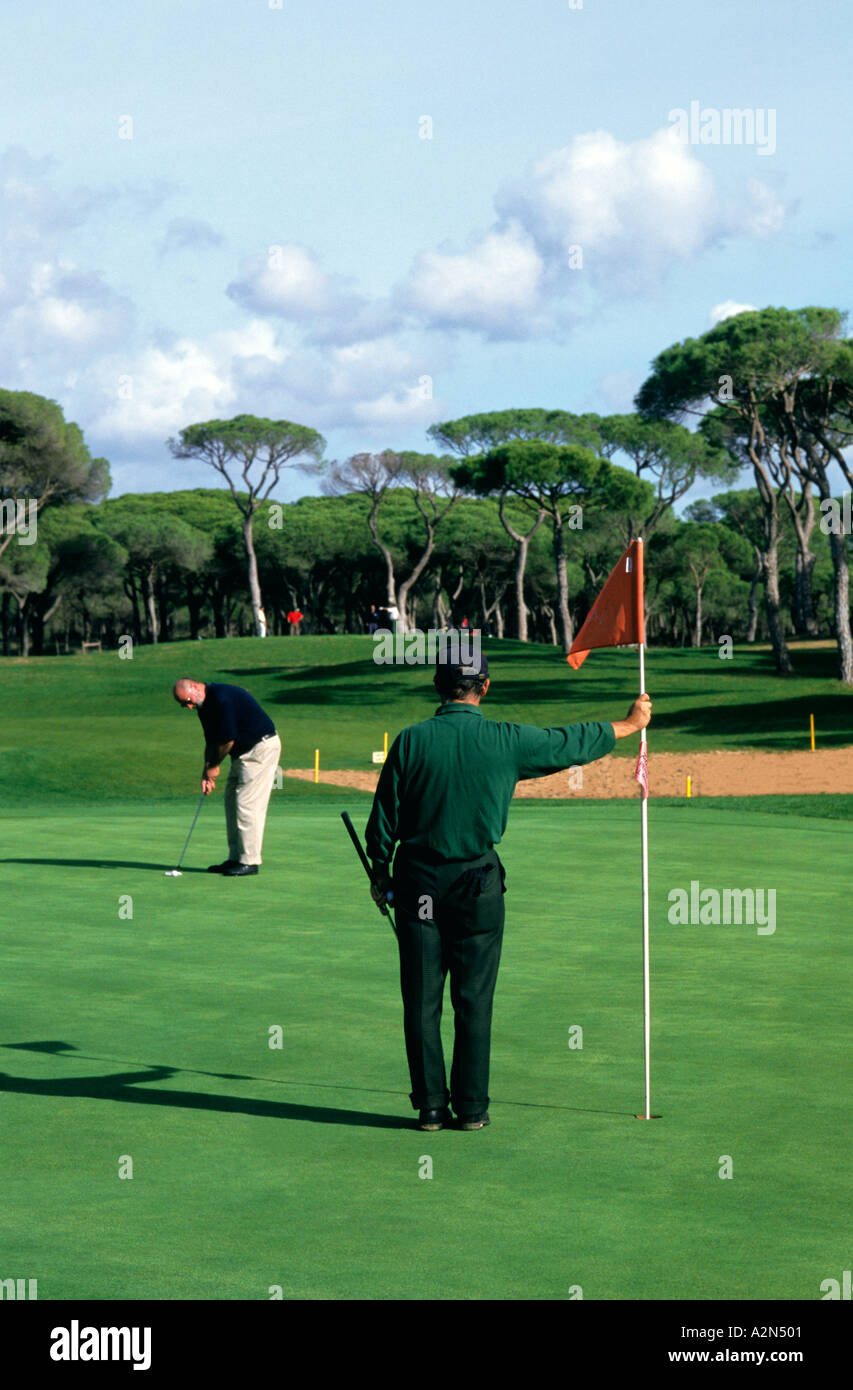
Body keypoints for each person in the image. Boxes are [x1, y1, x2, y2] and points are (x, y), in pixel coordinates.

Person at [364, 649, 652, 1132]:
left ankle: (431, 1108)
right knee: (474, 999)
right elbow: (566, 743)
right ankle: (471, 1109)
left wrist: (379, 872)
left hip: (419, 885)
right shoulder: (504, 739)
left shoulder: (411, 742)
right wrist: (627, 725)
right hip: (477, 884)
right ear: (486, 687)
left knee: (421, 999)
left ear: (438, 686)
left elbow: (384, 818)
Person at [172, 678, 281, 877]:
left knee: (247, 804)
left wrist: (214, 766)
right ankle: (235, 858)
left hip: (260, 748)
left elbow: (227, 740)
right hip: (242, 754)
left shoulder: (221, 699)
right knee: (232, 801)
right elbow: (211, 741)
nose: (188, 707)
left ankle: (249, 861)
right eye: (183, 705)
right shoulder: (203, 707)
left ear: (195, 688)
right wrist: (206, 771)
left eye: (187, 701)